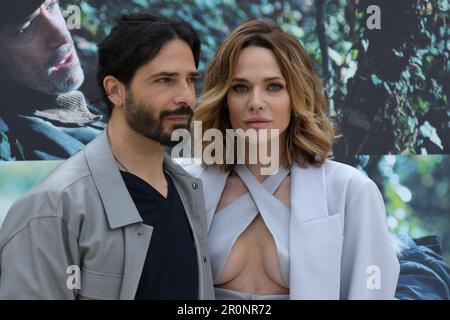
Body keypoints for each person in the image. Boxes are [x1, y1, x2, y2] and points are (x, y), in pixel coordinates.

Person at [0, 13, 214, 300]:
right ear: (114, 90)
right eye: (164, 80)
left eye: (190, 80)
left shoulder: (189, 188)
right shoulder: (48, 206)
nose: (185, 96)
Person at [186, 19, 400, 299]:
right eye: (240, 87)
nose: (256, 102)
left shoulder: (350, 191)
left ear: (296, 95)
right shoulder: (188, 184)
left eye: (273, 87)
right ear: (223, 98)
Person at [0, 0, 104, 161]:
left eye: (51, 5)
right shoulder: (15, 150)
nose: (61, 35)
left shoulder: (56, 98)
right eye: (26, 28)